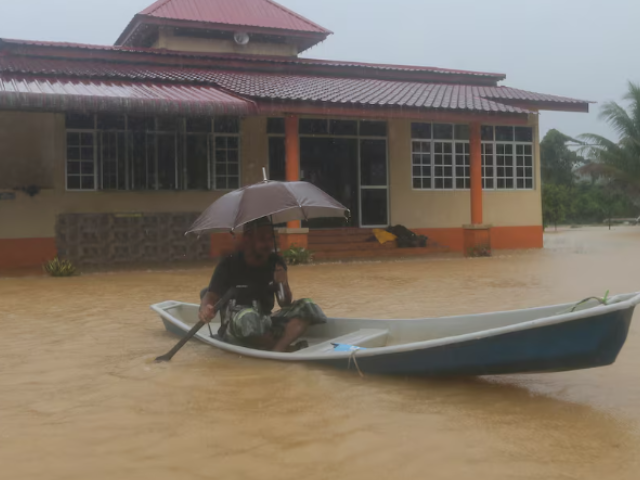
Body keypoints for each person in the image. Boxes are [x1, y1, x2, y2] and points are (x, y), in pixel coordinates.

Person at [198, 217, 326, 352]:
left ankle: (278, 350)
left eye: (270, 239)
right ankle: (281, 346)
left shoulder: (276, 262)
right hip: (238, 324)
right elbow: (210, 296)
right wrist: (205, 309)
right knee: (249, 318)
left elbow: (284, 303)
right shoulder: (229, 263)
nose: (268, 244)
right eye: (262, 239)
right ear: (248, 239)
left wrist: (282, 284)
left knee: (307, 306)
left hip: (266, 320)